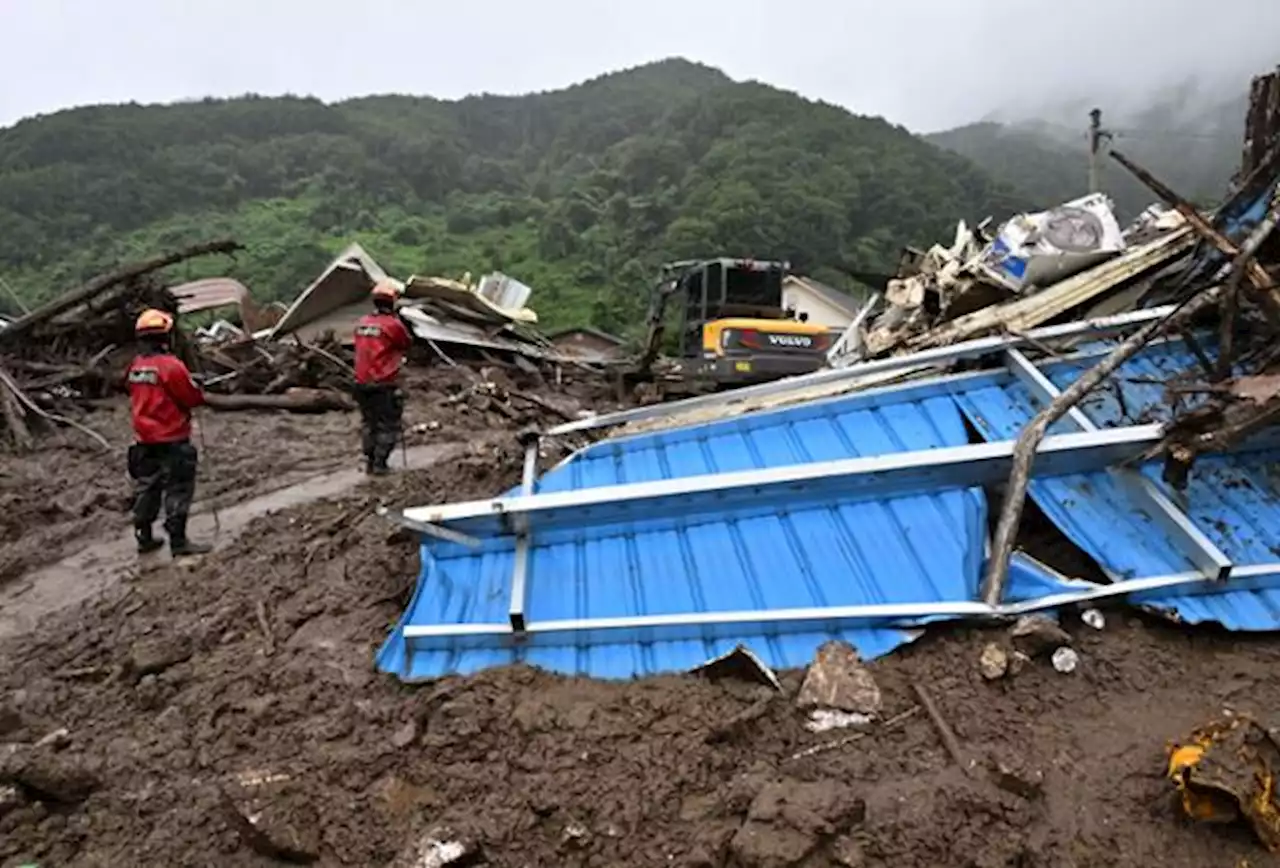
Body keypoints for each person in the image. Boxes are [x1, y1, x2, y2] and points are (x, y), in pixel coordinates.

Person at [125, 308, 212, 556]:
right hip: (172, 437)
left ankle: (144, 537)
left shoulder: (136, 366)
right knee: (178, 487)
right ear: (165, 337)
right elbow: (191, 398)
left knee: (147, 487)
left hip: (144, 439)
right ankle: (178, 542)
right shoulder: (172, 366)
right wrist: (196, 387)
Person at [353, 281, 412, 475]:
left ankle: (370, 461)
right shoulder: (393, 325)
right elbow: (406, 342)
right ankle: (380, 464)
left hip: (361, 382)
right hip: (383, 382)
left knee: (369, 422)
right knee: (388, 424)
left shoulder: (362, 323)